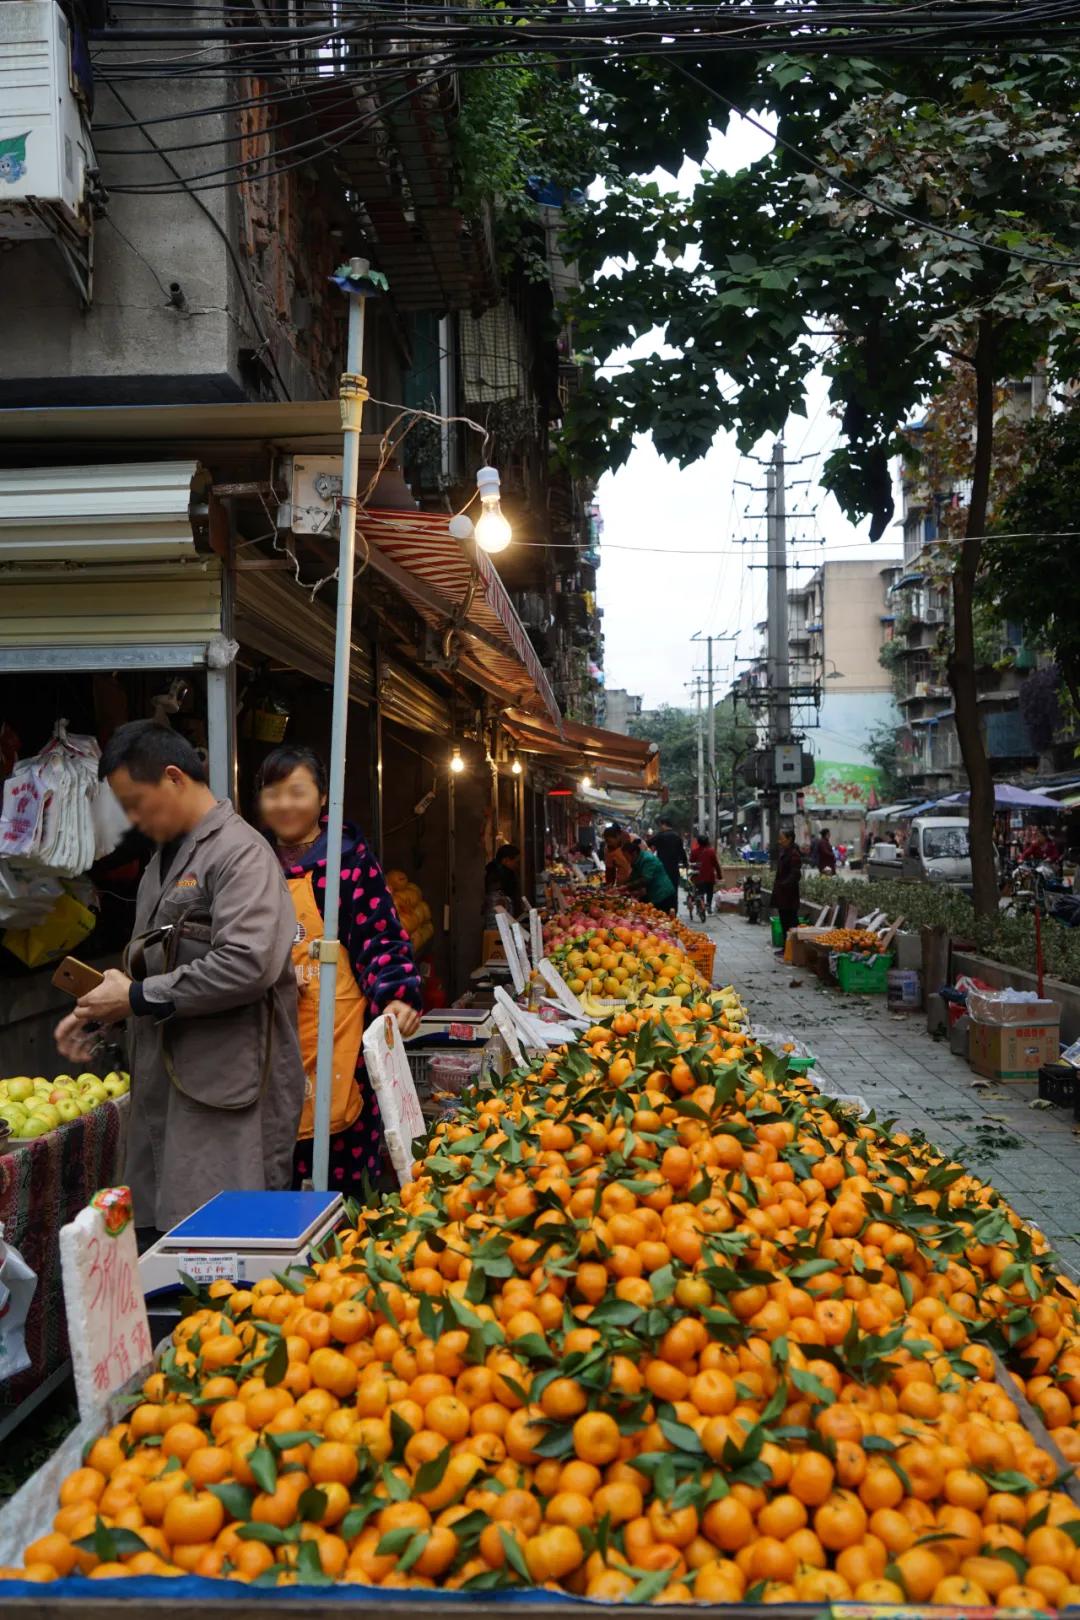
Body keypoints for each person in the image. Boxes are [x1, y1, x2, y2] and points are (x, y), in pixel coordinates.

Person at [56, 720, 305, 1236]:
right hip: (167, 1095)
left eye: (136, 802)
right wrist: (103, 1006)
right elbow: (153, 970)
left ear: (173, 778)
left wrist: (139, 995)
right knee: (166, 1254)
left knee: (224, 1262)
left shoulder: (239, 853)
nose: (131, 819)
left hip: (226, 1101)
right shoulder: (158, 864)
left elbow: (247, 963)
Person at [256, 745, 422, 1191]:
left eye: (297, 792)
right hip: (273, 1033)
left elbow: (380, 934)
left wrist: (398, 993)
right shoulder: (250, 862)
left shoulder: (347, 859)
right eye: (273, 793)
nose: (285, 804)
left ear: (321, 797)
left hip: (339, 1031)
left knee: (343, 1169)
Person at [770, 827, 802, 951]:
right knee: (784, 921)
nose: (779, 841)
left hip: (789, 895)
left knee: (791, 922)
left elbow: (795, 874)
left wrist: (784, 885)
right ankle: (786, 947)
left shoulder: (794, 854)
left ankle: (792, 948)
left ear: (789, 839)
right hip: (783, 894)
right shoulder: (785, 852)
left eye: (782, 839)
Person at [628, 836, 677, 912]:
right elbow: (633, 877)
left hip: (664, 896)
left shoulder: (647, 859)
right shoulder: (637, 861)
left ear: (634, 853)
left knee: (664, 919)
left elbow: (646, 879)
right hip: (654, 896)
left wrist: (626, 887)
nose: (626, 859)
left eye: (626, 857)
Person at [651, 816, 687, 911]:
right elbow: (682, 852)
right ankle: (673, 911)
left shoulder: (660, 836)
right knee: (673, 891)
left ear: (663, 824)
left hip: (661, 870)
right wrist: (685, 864)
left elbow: (647, 843)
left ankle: (662, 911)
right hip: (674, 870)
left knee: (662, 890)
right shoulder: (677, 837)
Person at [484, 843, 522, 913]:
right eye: (516, 862)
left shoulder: (491, 870)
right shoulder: (502, 875)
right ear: (506, 860)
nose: (517, 865)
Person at [691, 832, 720, 913]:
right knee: (709, 891)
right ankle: (709, 906)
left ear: (698, 842)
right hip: (709, 876)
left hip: (698, 876)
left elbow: (691, 862)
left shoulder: (694, 852)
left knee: (699, 892)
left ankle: (699, 907)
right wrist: (719, 875)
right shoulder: (711, 851)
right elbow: (716, 864)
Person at [604, 823, 632, 887]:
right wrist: (609, 885)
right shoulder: (608, 850)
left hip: (635, 882)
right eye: (606, 841)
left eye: (610, 841)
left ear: (618, 837)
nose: (608, 844)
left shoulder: (631, 840)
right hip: (621, 883)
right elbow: (610, 870)